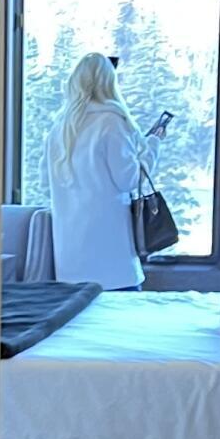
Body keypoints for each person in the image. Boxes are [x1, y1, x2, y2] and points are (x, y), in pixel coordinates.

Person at [45, 52, 147, 289]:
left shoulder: (60, 127)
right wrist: (150, 150)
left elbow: (44, 182)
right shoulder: (112, 122)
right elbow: (128, 181)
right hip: (113, 262)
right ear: (109, 83)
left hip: (69, 263)